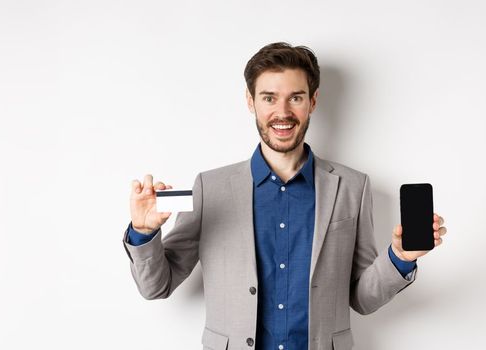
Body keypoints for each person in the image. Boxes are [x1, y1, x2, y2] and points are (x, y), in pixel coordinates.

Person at [122, 42, 448, 350]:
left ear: (313, 101)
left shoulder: (352, 187)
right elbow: (156, 287)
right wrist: (144, 232)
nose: (282, 112)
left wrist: (400, 258)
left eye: (295, 98)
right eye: (268, 98)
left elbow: (362, 299)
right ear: (250, 102)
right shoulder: (210, 188)